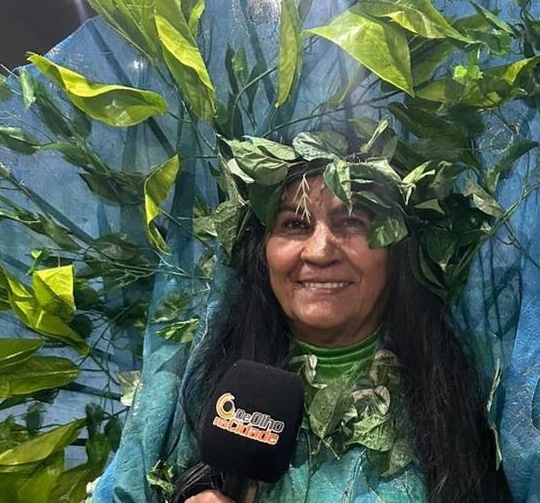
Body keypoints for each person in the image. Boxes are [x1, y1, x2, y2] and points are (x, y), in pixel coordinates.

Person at [172, 165, 512, 502]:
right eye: (294, 224)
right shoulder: (208, 390)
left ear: (396, 246)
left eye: (351, 221)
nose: (320, 252)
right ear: (261, 252)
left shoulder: (462, 396)